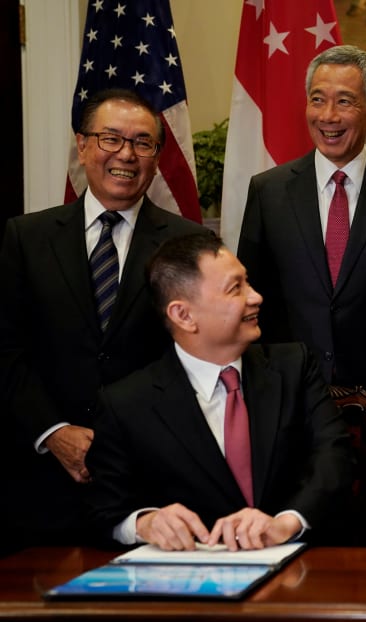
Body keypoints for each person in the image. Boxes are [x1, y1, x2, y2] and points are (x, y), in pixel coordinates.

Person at [0, 88, 205, 548]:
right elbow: (6, 350)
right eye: (110, 138)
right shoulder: (26, 238)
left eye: (142, 142)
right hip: (40, 485)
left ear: (157, 156)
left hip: (153, 485)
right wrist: (53, 432)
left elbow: (200, 360)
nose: (126, 155)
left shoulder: (189, 245)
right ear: (83, 145)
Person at [85, 233, 352, 550]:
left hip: (300, 564)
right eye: (235, 288)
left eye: (247, 282)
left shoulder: (294, 367)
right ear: (184, 315)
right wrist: (145, 523)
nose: (256, 297)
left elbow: (333, 456)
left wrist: (286, 523)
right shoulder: (126, 403)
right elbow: (103, 508)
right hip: (190, 572)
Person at [237, 45, 366, 395]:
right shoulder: (268, 191)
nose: (328, 116)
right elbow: (249, 297)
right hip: (289, 393)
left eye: (344, 102)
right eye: (317, 100)